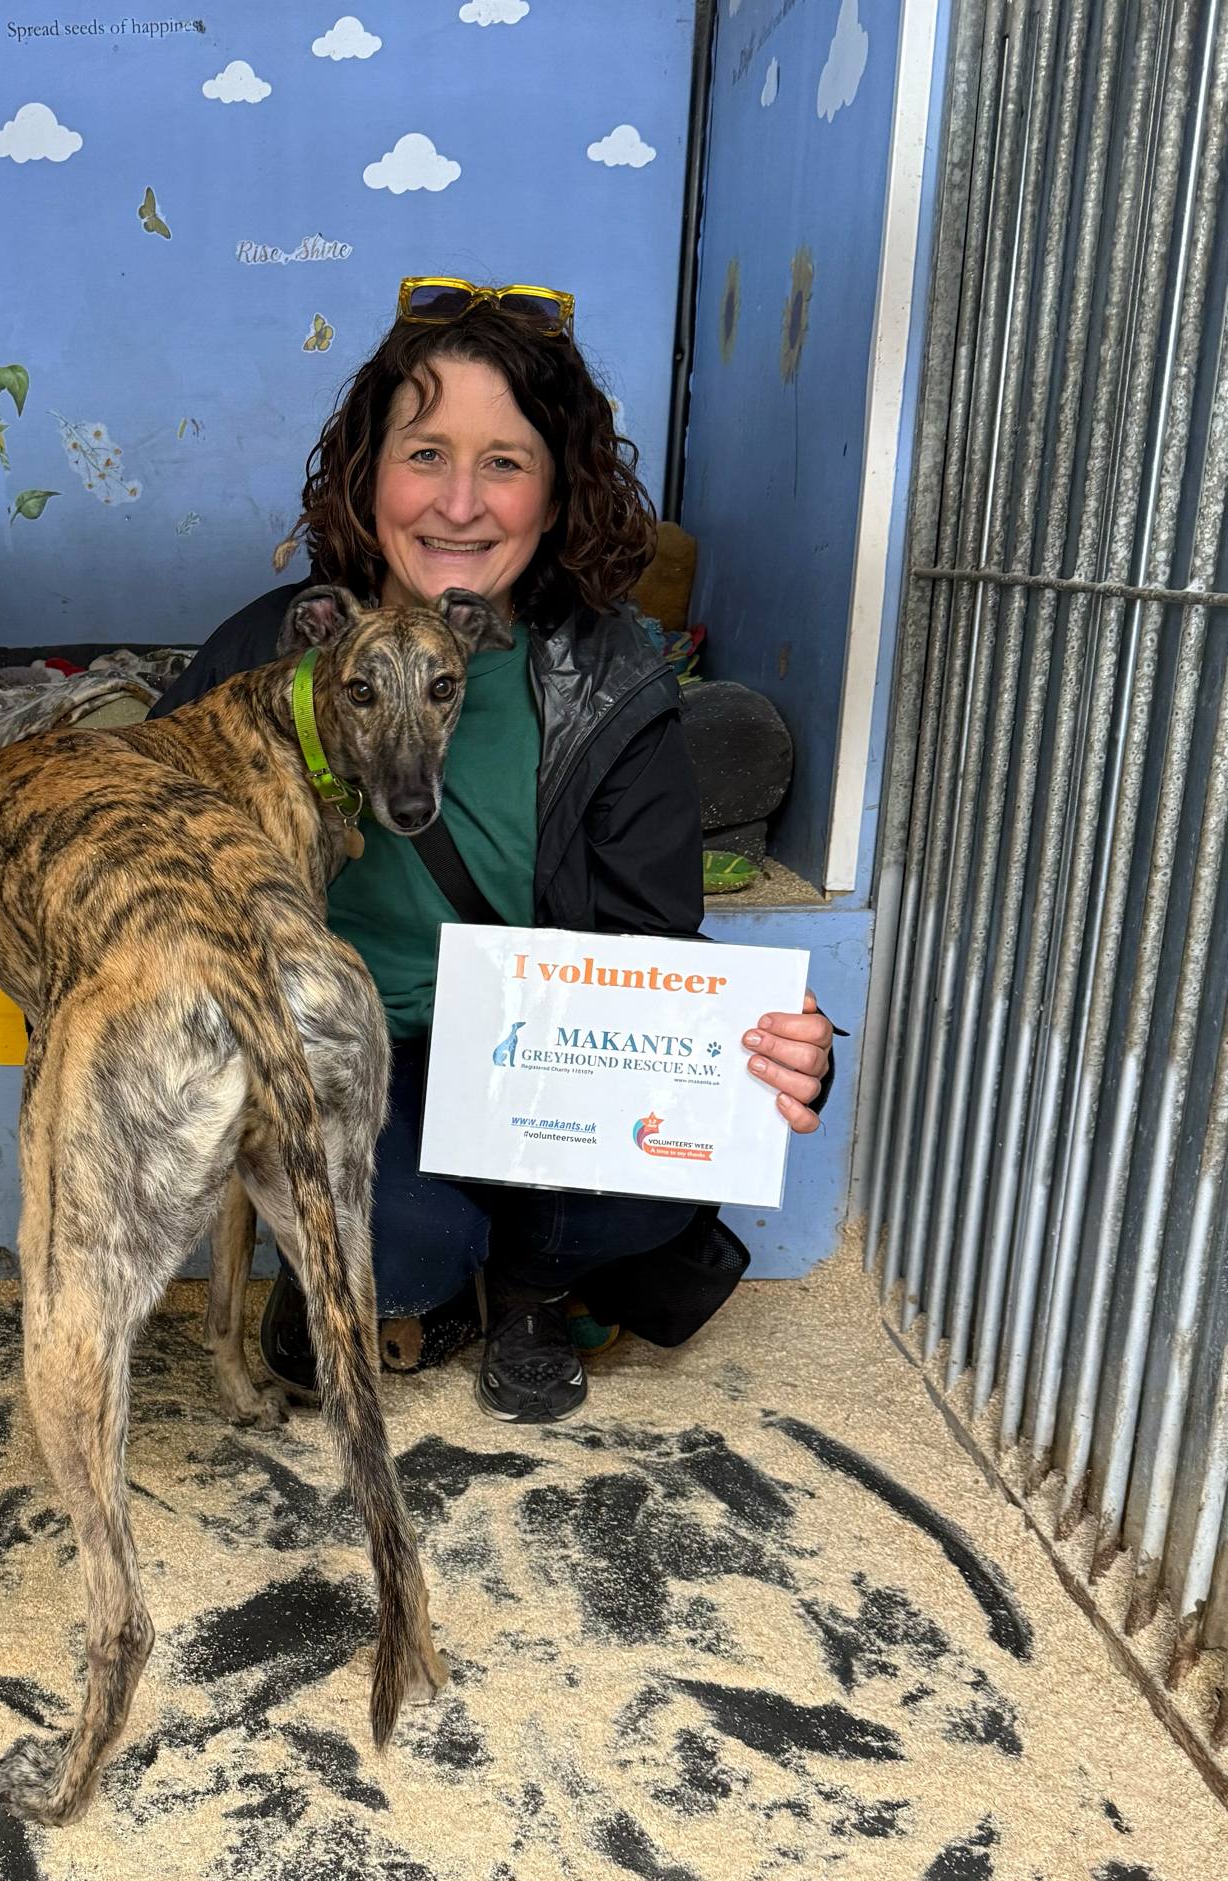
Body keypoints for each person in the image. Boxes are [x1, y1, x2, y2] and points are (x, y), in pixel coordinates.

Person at [150, 276, 835, 1424]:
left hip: (533, 1048)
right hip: (341, 1046)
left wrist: (767, 1049)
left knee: (669, 1165)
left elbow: (656, 952)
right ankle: (403, 1270)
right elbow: (140, 830)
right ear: (367, 474)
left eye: (505, 462)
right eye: (425, 454)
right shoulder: (272, 650)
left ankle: (528, 1288)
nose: (459, 504)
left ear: (556, 493)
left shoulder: (611, 683)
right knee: (405, 1236)